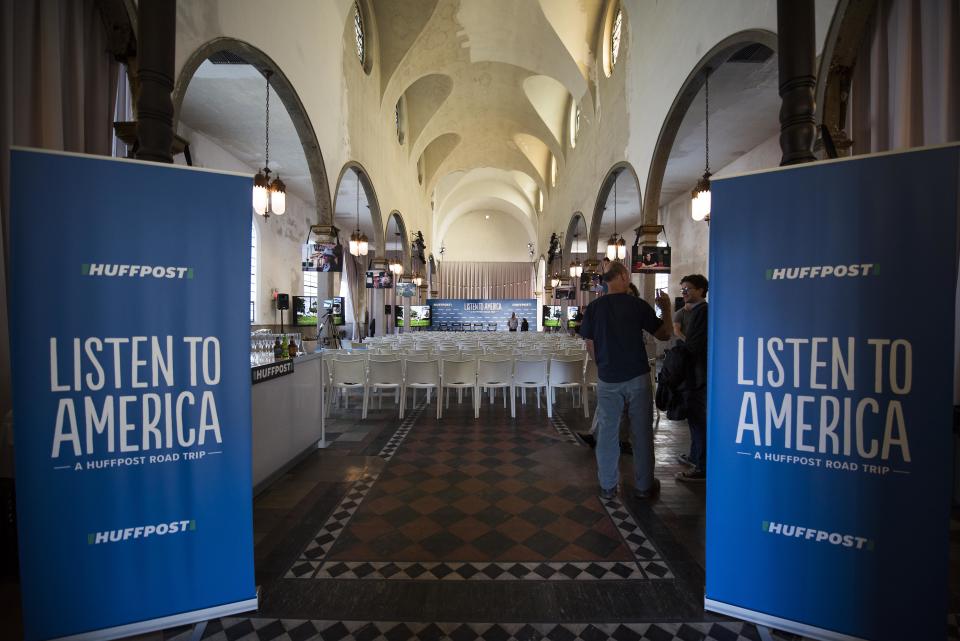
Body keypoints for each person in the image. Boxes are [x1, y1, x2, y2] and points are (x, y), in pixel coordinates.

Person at [579, 261, 672, 500]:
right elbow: (664, 334)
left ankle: (608, 485)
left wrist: (604, 366)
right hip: (638, 377)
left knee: (608, 433)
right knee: (641, 432)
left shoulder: (594, 308)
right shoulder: (637, 305)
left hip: (608, 378)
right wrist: (667, 309)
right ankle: (644, 485)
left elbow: (590, 343)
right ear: (623, 276)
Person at [675, 274, 708, 483]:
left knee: (699, 420)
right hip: (695, 373)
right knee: (695, 419)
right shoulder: (696, 311)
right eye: (683, 289)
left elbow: (693, 345)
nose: (685, 292)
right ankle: (695, 456)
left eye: (688, 289)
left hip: (698, 374)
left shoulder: (702, 312)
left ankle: (701, 466)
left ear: (701, 290)